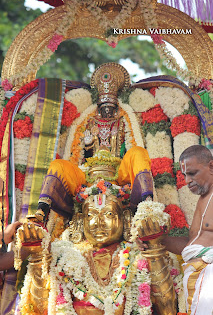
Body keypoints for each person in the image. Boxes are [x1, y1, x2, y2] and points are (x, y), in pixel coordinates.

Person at [16, 181, 176, 315]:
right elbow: (39, 309)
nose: (99, 222)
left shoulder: (137, 254)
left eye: (108, 215)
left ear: (125, 218)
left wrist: (154, 250)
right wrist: (38, 258)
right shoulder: (63, 255)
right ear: (80, 220)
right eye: (91, 215)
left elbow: (168, 310)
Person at [33, 63, 154, 225]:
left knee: (138, 152)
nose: (107, 111)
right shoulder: (86, 121)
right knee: (58, 165)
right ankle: (41, 212)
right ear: (98, 105)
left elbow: (131, 146)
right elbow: (77, 153)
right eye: (104, 107)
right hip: (87, 177)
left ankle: (148, 203)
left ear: (117, 105)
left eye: (111, 107)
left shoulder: (126, 119)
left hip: (119, 177)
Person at [163, 144, 213, 315]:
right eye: (184, 175)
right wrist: (156, 239)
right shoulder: (204, 198)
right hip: (195, 279)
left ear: (211, 167)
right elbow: (192, 245)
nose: (187, 181)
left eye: (192, 173)